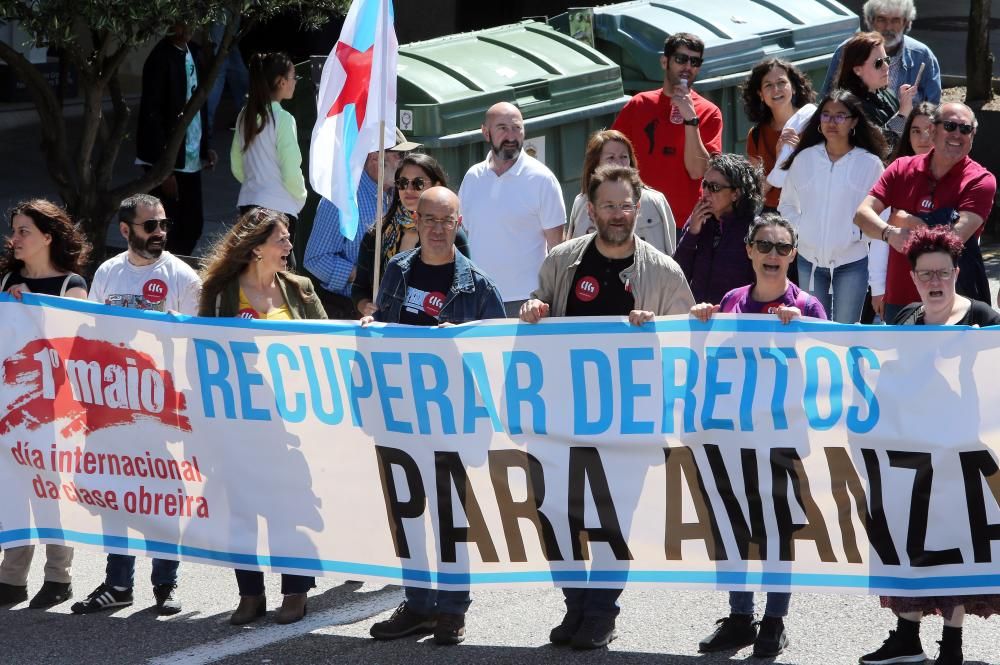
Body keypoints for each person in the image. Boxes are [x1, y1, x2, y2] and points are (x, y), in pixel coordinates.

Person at [520, 165, 695, 649]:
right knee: (556, 515)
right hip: (562, 419)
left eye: (626, 206)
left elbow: (686, 347)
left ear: (638, 210)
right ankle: (575, 604)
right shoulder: (562, 261)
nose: (617, 215)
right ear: (590, 210)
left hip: (629, 424)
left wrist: (656, 328)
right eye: (608, 205)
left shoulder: (663, 271)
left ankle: (601, 611)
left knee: (611, 520)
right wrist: (534, 308)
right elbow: (537, 307)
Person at [365, 187, 503, 645]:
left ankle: (452, 609)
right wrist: (372, 329)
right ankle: (419, 604)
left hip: (451, 424)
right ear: (415, 221)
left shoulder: (478, 285)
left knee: (449, 517)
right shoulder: (398, 272)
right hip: (401, 418)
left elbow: (496, 360)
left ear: (458, 221)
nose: (438, 229)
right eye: (430, 220)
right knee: (408, 514)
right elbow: (383, 332)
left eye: (447, 220)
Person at [859, 226, 1000, 665]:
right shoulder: (906, 320)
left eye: (942, 272)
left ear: (957, 272)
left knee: (954, 548)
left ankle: (952, 646)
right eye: (925, 274)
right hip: (915, 457)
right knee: (912, 545)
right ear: (914, 277)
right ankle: (906, 637)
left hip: (967, 461)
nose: (934, 282)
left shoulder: (984, 320)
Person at [691, 214, 826, 657]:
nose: (772, 255)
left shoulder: (806, 307)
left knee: (776, 532)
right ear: (748, 249)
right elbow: (708, 366)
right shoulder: (730, 301)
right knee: (732, 527)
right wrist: (700, 324)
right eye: (764, 246)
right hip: (730, 438)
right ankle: (739, 616)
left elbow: (826, 373)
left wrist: (803, 335)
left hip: (779, 442)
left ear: (793, 255)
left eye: (782, 248)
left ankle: (774, 621)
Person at [72, 194, 201, 615]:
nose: (160, 232)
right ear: (125, 230)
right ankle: (117, 584)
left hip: (163, 409)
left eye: (163, 224)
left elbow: (198, 345)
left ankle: (166, 585)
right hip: (113, 407)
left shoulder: (183, 278)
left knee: (163, 496)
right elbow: (91, 335)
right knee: (116, 495)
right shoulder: (108, 273)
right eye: (150, 226)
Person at [197, 207, 325, 624]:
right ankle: (250, 594)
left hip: (291, 425)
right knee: (243, 508)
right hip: (237, 423)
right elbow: (202, 352)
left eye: (288, 239)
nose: (289, 246)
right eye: (281, 240)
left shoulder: (301, 289)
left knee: (289, 505)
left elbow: (329, 344)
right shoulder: (220, 294)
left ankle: (295, 590)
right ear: (255, 250)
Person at [0, 199, 90, 609]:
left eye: (24, 232)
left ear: (48, 238)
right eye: (14, 231)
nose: (14, 239)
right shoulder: (5, 283)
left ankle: (58, 577)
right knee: (13, 490)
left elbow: (67, 348)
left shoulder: (72, 285)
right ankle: (11, 577)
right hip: (12, 408)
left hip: (57, 410)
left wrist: (31, 309)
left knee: (53, 493)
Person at [854, 102, 996, 323]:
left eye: (965, 129)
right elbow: (862, 215)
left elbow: (953, 239)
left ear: (973, 135)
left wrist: (910, 221)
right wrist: (890, 233)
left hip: (955, 302)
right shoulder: (901, 168)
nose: (957, 134)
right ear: (933, 130)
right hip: (901, 297)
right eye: (950, 126)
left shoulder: (981, 180)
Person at [778, 90, 887, 324]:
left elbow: (881, 217)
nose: (831, 122)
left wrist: (859, 235)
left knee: (845, 331)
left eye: (840, 116)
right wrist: (802, 230)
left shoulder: (870, 164)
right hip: (809, 262)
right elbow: (786, 204)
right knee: (813, 328)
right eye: (826, 115)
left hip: (852, 262)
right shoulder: (804, 158)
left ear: (854, 121)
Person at [457, 102, 565, 316]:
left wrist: (550, 300)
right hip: (478, 298)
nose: (511, 136)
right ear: (486, 133)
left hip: (529, 303)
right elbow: (462, 237)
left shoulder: (542, 179)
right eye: (503, 128)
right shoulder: (472, 178)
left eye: (517, 128)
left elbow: (558, 250)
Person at [612, 32, 723, 226]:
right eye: (681, 59)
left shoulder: (709, 112)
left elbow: (698, 172)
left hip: (687, 223)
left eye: (695, 62)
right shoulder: (639, 104)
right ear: (665, 62)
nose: (688, 67)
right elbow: (608, 157)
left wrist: (691, 119)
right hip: (639, 218)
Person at [303, 131, 417, 319]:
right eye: (400, 156)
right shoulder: (341, 199)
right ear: (375, 159)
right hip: (348, 309)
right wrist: (363, 276)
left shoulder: (398, 194)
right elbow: (315, 259)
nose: (406, 162)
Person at [352, 153, 469, 316]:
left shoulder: (452, 234)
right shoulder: (376, 235)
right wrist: (365, 306)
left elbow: (466, 287)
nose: (409, 189)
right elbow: (359, 288)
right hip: (389, 330)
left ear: (437, 185)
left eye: (418, 184)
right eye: (402, 183)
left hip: (438, 331)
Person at [136, 23, 217, 256]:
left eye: (190, 22)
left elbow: (199, 103)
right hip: (169, 157)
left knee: (192, 224)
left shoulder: (195, 51)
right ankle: (160, 274)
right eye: (180, 22)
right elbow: (152, 114)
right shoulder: (160, 59)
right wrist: (164, 168)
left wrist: (205, 147)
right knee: (165, 226)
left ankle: (175, 271)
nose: (186, 28)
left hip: (190, 155)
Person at [868, 101, 937, 319]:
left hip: (943, 287)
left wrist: (907, 220)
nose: (923, 138)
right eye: (916, 131)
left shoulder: (959, 175)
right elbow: (879, 237)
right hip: (899, 286)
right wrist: (878, 288)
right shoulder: (895, 173)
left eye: (930, 131)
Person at [231, 52, 307, 243]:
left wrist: (257, 183)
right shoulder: (283, 119)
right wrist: (300, 196)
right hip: (279, 209)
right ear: (281, 81)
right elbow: (291, 170)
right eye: (293, 77)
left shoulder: (244, 116)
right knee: (281, 270)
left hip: (248, 204)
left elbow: (236, 164)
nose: (295, 82)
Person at [566, 129, 676, 254]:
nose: (619, 163)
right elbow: (574, 254)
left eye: (624, 157)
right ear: (595, 164)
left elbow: (670, 254)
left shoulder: (655, 201)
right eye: (611, 157)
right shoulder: (582, 203)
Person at [673, 153, 761, 305]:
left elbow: (760, 286)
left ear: (736, 194)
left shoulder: (755, 230)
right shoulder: (698, 221)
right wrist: (691, 234)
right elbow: (677, 276)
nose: (705, 193)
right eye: (704, 185)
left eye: (714, 187)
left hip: (734, 319)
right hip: (699, 316)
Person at [823, 0, 941, 105]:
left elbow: (931, 110)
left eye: (895, 20)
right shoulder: (847, 50)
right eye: (881, 19)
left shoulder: (922, 56)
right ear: (870, 20)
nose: (888, 27)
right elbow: (828, 99)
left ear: (905, 23)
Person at [741, 58, 817, 212]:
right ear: (761, 94)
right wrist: (780, 161)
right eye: (768, 85)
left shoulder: (815, 124)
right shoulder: (755, 135)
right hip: (773, 217)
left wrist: (799, 153)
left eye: (782, 82)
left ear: (793, 88)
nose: (776, 89)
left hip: (809, 210)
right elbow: (758, 191)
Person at [834, 32, 916, 150]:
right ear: (857, 70)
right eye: (878, 63)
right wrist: (902, 114)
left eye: (886, 60)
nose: (886, 66)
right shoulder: (849, 106)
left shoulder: (886, 93)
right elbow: (882, 146)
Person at [205, 11, 250, 136]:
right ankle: (206, 127)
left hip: (230, 27)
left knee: (239, 74)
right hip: (222, 19)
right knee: (218, 74)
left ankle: (246, 120)